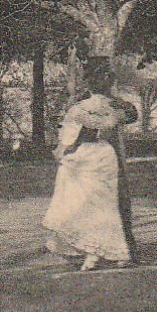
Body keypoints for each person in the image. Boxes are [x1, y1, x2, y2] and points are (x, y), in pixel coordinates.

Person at [43, 60, 139, 271]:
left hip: (86, 156)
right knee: (107, 206)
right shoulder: (114, 106)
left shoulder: (79, 107)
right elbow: (131, 114)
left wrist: (61, 151)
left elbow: (68, 138)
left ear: (88, 83)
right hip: (106, 154)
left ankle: (94, 251)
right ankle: (117, 252)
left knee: (83, 205)